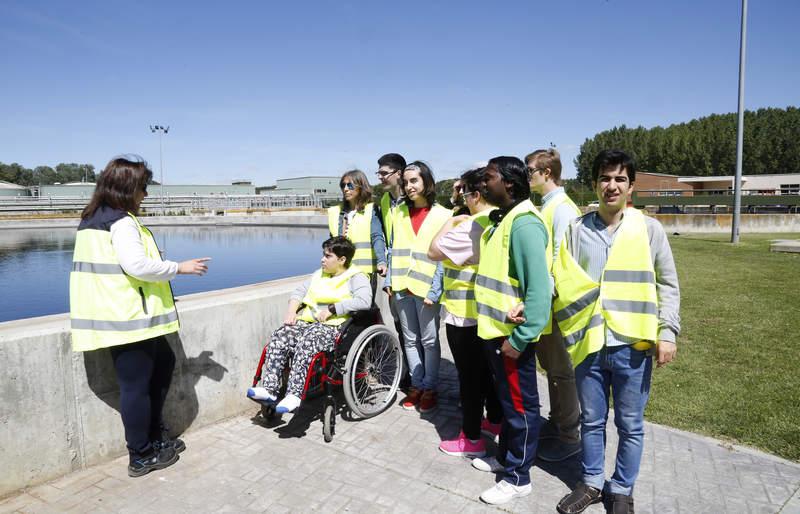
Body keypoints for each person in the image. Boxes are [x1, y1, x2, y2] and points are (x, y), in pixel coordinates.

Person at [554, 150, 680, 514]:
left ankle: (621, 488)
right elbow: (559, 278)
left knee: (630, 425)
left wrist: (667, 332)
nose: (612, 186)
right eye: (605, 178)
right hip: (588, 345)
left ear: (631, 187)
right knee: (591, 421)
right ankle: (592, 483)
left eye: (619, 179)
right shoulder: (577, 230)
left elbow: (668, 284)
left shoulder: (649, 229)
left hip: (632, 346)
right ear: (595, 184)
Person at [69, 156, 210, 478]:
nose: (145, 194)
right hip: (129, 319)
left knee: (163, 365)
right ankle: (141, 454)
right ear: (126, 188)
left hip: (120, 316)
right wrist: (180, 267)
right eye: (142, 187)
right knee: (135, 387)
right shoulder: (120, 222)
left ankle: (155, 437)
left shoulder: (94, 219)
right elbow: (138, 266)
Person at [469, 157, 552, 505]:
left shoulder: (524, 224)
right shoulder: (500, 220)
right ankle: (505, 459)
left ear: (510, 184)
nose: (482, 184)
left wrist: (519, 340)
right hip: (494, 333)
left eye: (488, 178)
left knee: (521, 409)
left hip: (510, 339)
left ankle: (519, 477)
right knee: (508, 405)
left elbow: (539, 289)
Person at [247, 236, 371, 414]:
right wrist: (291, 311)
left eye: (328, 256)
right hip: (308, 322)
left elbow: (364, 301)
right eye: (323, 255)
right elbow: (299, 292)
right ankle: (269, 390)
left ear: (342, 260)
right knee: (281, 335)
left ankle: (294, 395)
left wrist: (334, 308)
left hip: (334, 327)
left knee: (307, 342)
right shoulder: (319, 274)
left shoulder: (356, 277)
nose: (322, 259)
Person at [427, 168, 503, 458]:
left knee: (469, 381)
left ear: (475, 195)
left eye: (463, 192)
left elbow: (433, 251)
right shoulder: (499, 221)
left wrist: (452, 220)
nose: (461, 197)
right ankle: (495, 421)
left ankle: (470, 439)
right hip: (489, 313)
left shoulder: (471, 225)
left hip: (464, 315)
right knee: (489, 376)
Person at [525, 148, 583, 462]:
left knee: (562, 372)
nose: (527, 174)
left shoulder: (562, 209)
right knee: (552, 371)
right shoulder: (547, 206)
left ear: (547, 173)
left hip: (556, 306)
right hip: (545, 305)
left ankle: (569, 436)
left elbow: (563, 260)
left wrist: (546, 301)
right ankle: (558, 422)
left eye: (530, 169)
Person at [384, 161, 450, 413]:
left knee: (430, 341)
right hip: (401, 286)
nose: (409, 186)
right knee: (410, 340)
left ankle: (430, 387)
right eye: (406, 182)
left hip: (426, 290)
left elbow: (444, 258)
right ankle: (417, 385)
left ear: (426, 182)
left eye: (414, 181)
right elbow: (393, 248)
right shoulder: (398, 212)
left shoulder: (444, 215)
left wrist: (435, 291)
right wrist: (390, 281)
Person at [375, 152, 411, 390]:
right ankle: (409, 375)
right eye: (378, 173)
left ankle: (425, 382)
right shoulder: (386, 201)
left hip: (414, 277)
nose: (380, 178)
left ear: (399, 173)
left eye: (384, 173)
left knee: (419, 335)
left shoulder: (415, 199)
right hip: (393, 277)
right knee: (400, 327)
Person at [327, 169, 387, 292]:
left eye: (350, 185)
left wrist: (382, 261)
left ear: (361, 187)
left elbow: (377, 237)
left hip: (363, 273)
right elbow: (330, 245)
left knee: (364, 309)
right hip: (340, 273)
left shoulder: (371, 210)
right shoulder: (335, 212)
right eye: (343, 185)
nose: (346, 189)